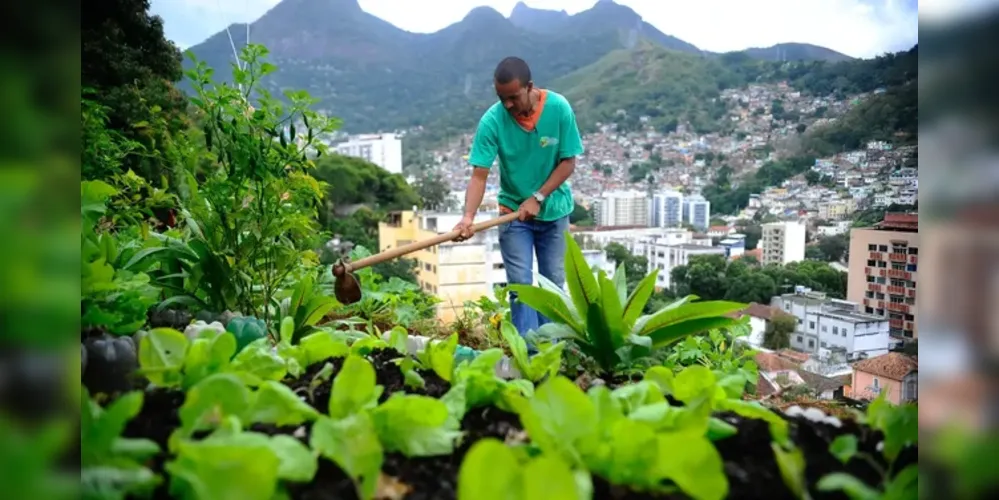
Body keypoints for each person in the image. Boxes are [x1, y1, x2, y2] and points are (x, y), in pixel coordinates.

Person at [453, 56, 584, 341]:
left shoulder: (559, 109)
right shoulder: (492, 120)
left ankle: (551, 351)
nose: (508, 105)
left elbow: (568, 162)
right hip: (513, 213)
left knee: (551, 286)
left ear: (530, 87)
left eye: (513, 97)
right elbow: (479, 175)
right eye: (502, 98)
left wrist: (538, 197)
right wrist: (467, 218)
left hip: (554, 211)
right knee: (521, 286)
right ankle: (527, 354)